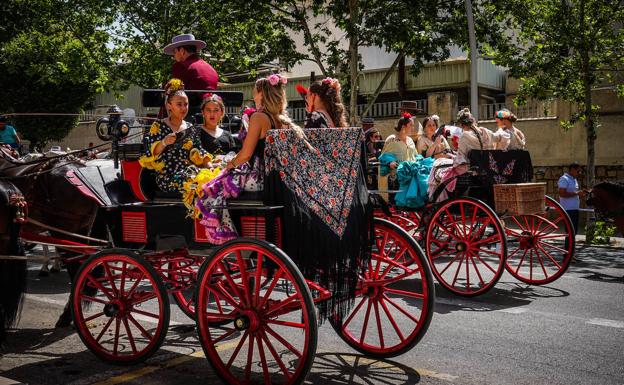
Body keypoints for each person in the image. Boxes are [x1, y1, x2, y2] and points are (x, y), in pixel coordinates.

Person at [196, 73, 292, 244]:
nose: (253, 93)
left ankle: (226, 236)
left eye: (255, 90)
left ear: (261, 93)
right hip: (277, 177)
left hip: (259, 177)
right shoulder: (281, 118)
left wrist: (229, 165)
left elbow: (246, 154)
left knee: (212, 188)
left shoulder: (259, 117)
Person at [139, 79, 215, 193]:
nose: (184, 108)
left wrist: (211, 168)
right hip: (168, 176)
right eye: (179, 104)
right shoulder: (158, 125)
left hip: (190, 170)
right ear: (169, 106)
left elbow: (199, 151)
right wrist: (164, 142)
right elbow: (150, 152)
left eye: (186, 104)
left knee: (211, 178)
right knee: (194, 182)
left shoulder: (190, 127)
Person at [558, 162, 585, 236]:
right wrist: (576, 193)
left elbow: (573, 193)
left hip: (575, 209)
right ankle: (568, 247)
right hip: (568, 210)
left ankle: (571, 247)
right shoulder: (564, 179)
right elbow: (561, 193)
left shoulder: (574, 179)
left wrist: (580, 194)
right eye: (578, 171)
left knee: (574, 232)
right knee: (570, 233)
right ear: (572, 169)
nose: (579, 173)